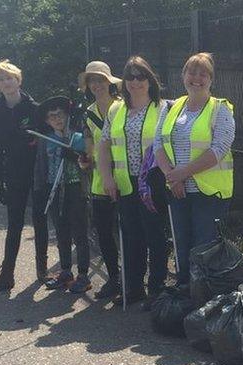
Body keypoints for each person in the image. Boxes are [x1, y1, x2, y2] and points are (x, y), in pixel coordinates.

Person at [154, 52, 235, 288]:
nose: (197, 78)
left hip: (209, 193)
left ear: (211, 79)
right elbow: (159, 143)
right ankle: (183, 294)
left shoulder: (221, 109)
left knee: (204, 248)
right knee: (181, 244)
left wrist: (182, 173)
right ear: (183, 75)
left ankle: (202, 302)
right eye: (192, 72)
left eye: (203, 74)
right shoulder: (170, 107)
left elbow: (218, 148)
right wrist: (172, 177)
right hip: (177, 189)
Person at [98, 56, 168, 307]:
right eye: (130, 77)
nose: (136, 82)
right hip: (125, 182)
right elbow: (103, 146)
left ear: (150, 80)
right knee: (131, 236)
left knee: (155, 237)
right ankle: (134, 287)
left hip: (153, 183)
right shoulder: (116, 109)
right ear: (124, 81)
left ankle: (157, 288)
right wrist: (107, 178)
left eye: (141, 76)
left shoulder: (163, 108)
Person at [0, 59, 48, 293]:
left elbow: (47, 139)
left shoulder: (35, 109)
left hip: (37, 172)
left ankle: (42, 271)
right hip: (13, 174)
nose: (6, 82)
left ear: (18, 80)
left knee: (41, 220)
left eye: (9, 77)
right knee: (15, 224)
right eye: (1, 79)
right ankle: (7, 275)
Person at [33, 97, 92, 293]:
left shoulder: (78, 138)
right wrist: (41, 188)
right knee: (61, 231)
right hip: (54, 189)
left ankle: (83, 274)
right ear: (47, 121)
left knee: (80, 231)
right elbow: (41, 166)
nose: (56, 119)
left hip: (75, 188)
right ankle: (66, 271)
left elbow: (87, 163)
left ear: (67, 115)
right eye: (51, 117)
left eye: (59, 115)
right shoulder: (46, 141)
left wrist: (76, 157)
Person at [78, 61, 123, 300]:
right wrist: (84, 161)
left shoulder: (123, 108)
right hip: (100, 181)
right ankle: (113, 278)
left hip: (125, 179)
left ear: (109, 82)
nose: (96, 85)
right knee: (104, 233)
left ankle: (131, 278)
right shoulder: (88, 113)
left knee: (129, 233)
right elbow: (89, 149)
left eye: (100, 80)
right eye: (91, 81)